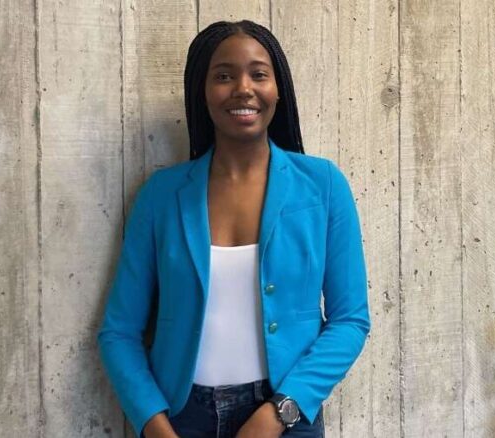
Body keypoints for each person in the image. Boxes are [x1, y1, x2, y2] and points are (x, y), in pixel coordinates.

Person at [97, 20, 370, 438]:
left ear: (279, 89)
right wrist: (153, 424)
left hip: (286, 417)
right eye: (223, 76)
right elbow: (119, 331)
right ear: (201, 91)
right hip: (179, 418)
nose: (243, 88)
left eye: (259, 74)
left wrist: (280, 411)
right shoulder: (161, 196)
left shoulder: (323, 185)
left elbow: (350, 320)